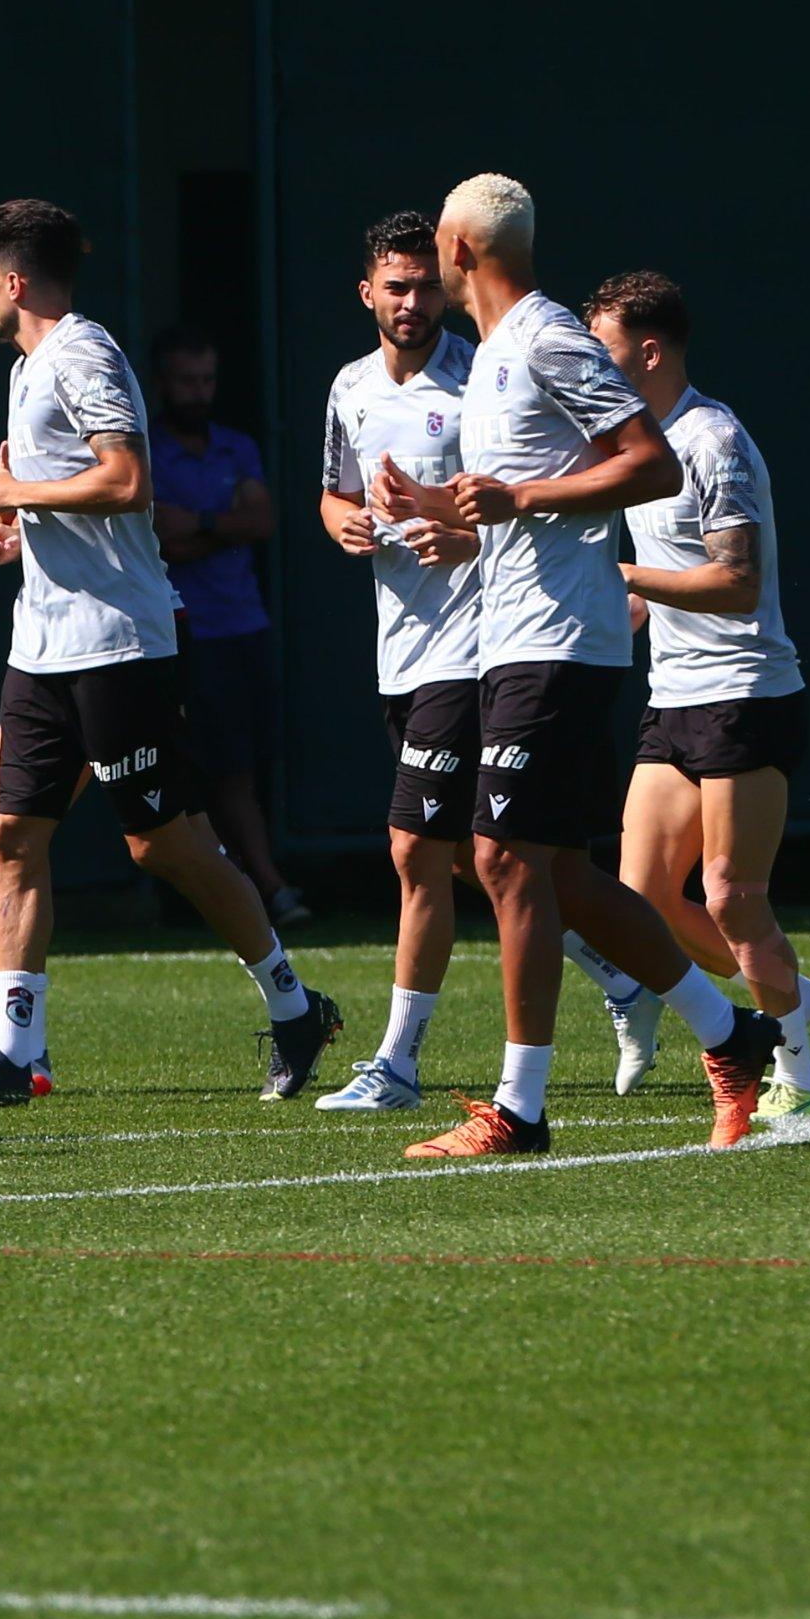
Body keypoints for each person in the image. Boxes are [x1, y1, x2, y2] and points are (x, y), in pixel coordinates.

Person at [366, 176, 781, 1157]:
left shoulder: (547, 336)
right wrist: (435, 502)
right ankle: (732, 1036)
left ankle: (519, 1108)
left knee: (503, 857)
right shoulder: (502, 355)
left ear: (461, 249)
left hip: (559, 638)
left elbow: (650, 463)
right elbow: (522, 506)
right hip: (511, 631)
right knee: (555, 868)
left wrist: (519, 494)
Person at [0, 200, 342, 1108]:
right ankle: (17, 1049)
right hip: (43, 643)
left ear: (16, 280)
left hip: (119, 645)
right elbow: (80, 500)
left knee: (164, 846)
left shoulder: (83, 351)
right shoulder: (31, 367)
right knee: (7, 832)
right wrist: (20, 531)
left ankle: (294, 1004)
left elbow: (129, 479)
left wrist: (18, 488)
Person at [589, 273, 810, 1122]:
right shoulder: (632, 446)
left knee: (735, 896)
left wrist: (628, 577)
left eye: (606, 349)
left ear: (651, 350)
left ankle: (800, 1078)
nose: (592, 364)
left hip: (747, 694)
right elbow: (650, 584)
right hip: (674, 700)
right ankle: (802, 999)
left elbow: (738, 582)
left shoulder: (714, 438)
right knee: (640, 903)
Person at [308, 214, 483, 1113]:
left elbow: (519, 510)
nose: (413, 303)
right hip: (401, 652)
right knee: (479, 859)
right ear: (367, 292)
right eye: (397, 286)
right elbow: (336, 492)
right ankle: (623, 975)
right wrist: (339, 520)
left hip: (478, 644)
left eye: (427, 286)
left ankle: (398, 1064)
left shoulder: (482, 374)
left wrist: (455, 528)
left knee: (413, 847)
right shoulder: (349, 386)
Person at [148, 322, 304, 927]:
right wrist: (219, 525)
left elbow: (259, 520)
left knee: (244, 765)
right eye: (186, 381)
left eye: (206, 380)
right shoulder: (147, 451)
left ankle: (250, 884)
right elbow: (160, 537)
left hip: (244, 627)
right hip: (186, 633)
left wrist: (201, 527)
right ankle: (263, 887)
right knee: (202, 772)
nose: (197, 391)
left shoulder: (237, 445)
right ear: (162, 384)